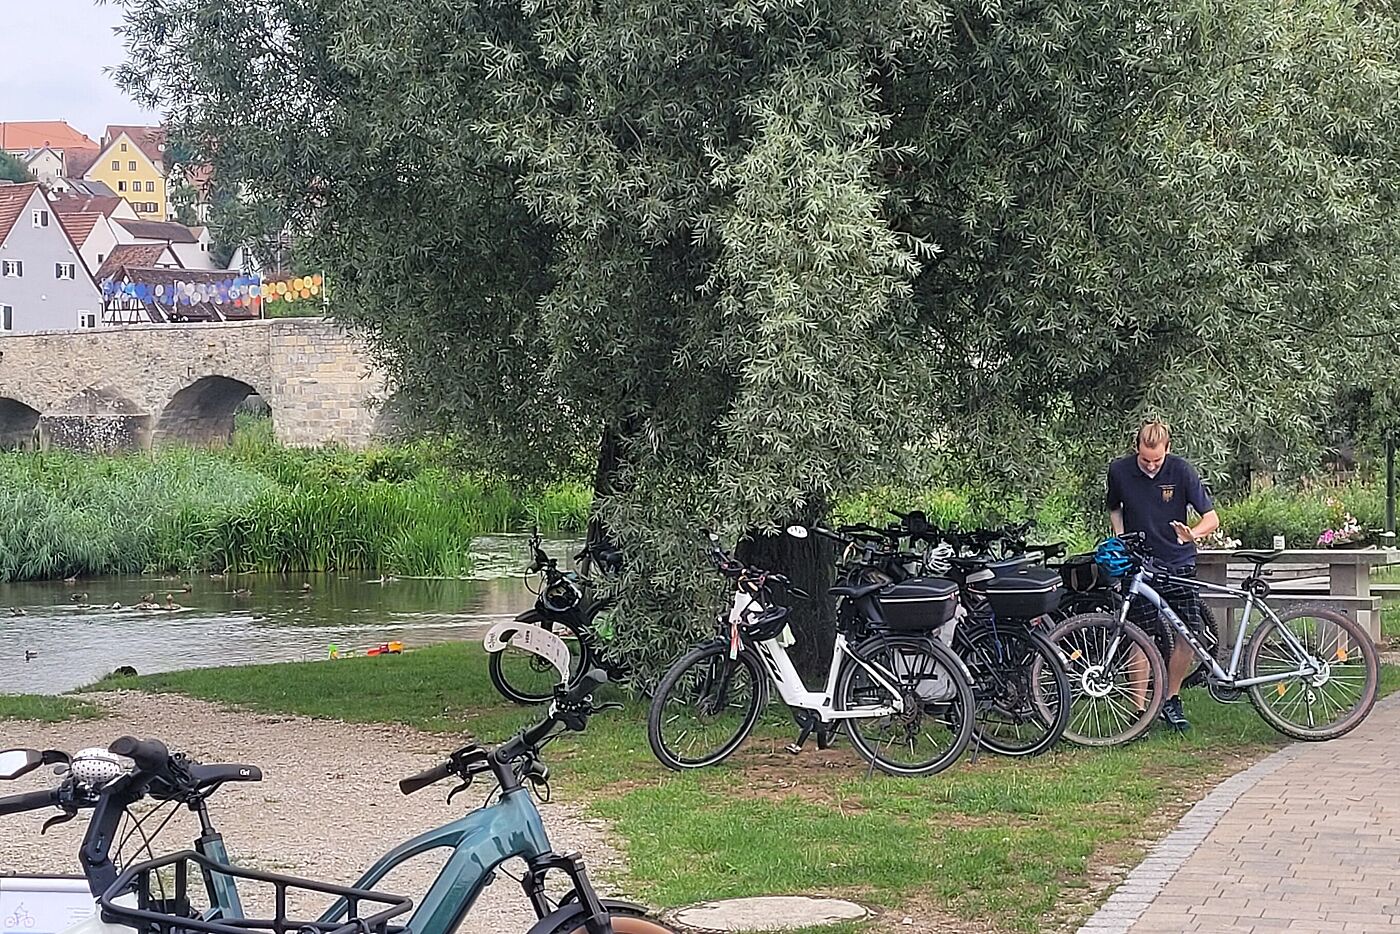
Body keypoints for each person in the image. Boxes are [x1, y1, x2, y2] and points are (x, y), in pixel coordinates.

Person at [1106, 419, 1220, 731]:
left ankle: (1171, 698)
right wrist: (1121, 537)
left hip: (1178, 563)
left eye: (1157, 460)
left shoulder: (1181, 471)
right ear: (1136, 449)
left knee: (1189, 633)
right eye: (1145, 459)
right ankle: (1140, 709)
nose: (1151, 466)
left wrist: (1193, 534)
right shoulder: (1119, 471)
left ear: (1167, 450)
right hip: (1138, 564)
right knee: (1139, 635)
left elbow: (1211, 518)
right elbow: (1114, 507)